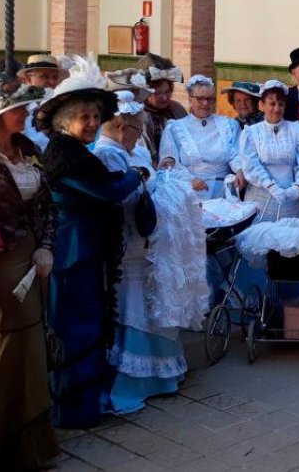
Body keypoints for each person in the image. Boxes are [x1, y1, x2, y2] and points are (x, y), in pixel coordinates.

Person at [34, 56, 145, 429]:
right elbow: (106, 191)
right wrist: (135, 175)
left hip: (86, 248)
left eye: (97, 117)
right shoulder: (65, 157)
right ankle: (73, 409)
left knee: (89, 322)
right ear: (67, 120)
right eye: (87, 118)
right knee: (76, 325)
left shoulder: (75, 153)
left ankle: (86, 403)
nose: (94, 124)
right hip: (72, 252)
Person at [0, 83, 60, 470]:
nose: (25, 113)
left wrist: (47, 245)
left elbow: (48, 205)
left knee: (32, 343)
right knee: (4, 340)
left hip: (34, 258)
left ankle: (33, 445)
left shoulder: (29, 150)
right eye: (16, 109)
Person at [95, 91, 187, 414]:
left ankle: (156, 375)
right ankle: (135, 379)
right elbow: (126, 198)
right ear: (122, 128)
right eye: (136, 131)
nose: (138, 138)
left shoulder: (122, 151)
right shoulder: (110, 154)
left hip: (141, 244)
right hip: (128, 244)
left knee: (146, 303)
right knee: (132, 305)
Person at [235, 79, 299, 220]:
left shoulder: (298, 130)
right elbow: (251, 165)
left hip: (291, 200)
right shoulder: (251, 133)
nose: (276, 109)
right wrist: (270, 185)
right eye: (272, 103)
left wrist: (298, 186)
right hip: (260, 199)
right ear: (261, 105)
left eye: (280, 104)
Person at [158, 75, 240, 200]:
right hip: (189, 191)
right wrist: (190, 180)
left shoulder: (228, 125)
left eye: (210, 99)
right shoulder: (175, 128)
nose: (205, 103)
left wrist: (240, 170)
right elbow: (169, 163)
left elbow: (236, 155)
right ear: (190, 100)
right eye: (200, 99)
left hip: (223, 192)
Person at [17, 53, 69, 151]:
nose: (52, 82)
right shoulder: (20, 108)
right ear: (28, 79)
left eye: (55, 78)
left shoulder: (62, 107)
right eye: (44, 76)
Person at [137, 52, 186, 153]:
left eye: (167, 92)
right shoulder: (139, 115)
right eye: (158, 93)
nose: (164, 97)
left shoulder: (177, 109)